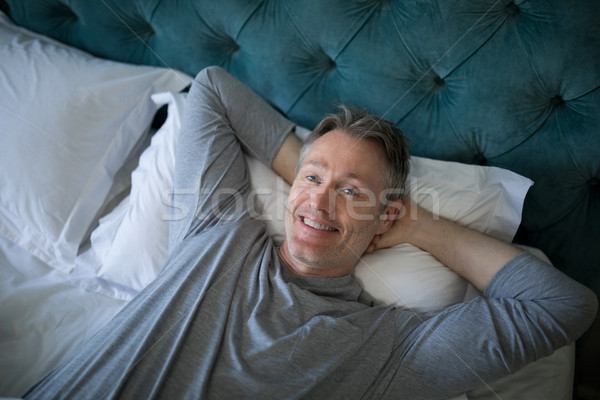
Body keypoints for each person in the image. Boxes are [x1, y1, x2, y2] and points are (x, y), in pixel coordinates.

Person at [25, 66, 597, 399]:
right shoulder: (216, 229)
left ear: (385, 215)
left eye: (351, 191)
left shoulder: (392, 350)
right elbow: (212, 89)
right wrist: (318, 178)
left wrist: (419, 226)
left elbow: (563, 304)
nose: (319, 200)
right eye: (312, 178)